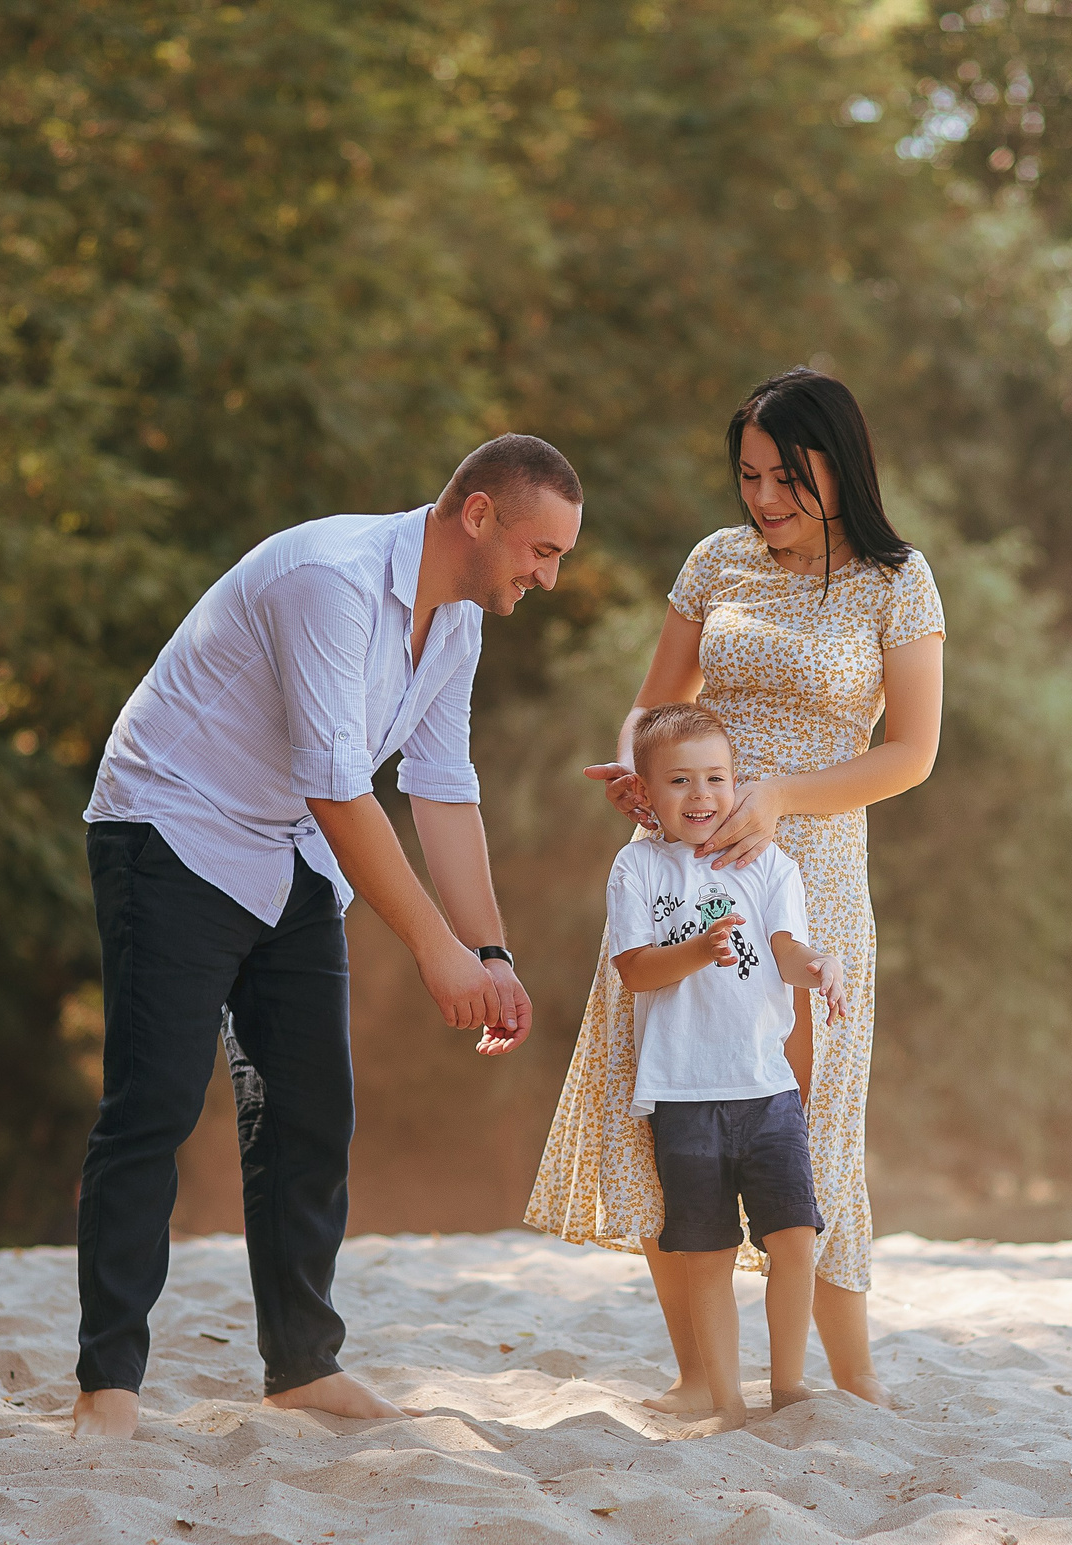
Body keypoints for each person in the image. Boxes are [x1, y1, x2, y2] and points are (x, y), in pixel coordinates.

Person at [71, 434, 581, 1439]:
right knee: (155, 1107)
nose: (549, 578)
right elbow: (338, 785)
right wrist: (431, 949)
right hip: (169, 828)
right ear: (476, 515)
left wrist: (488, 952)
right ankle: (108, 1386)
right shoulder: (331, 580)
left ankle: (302, 1367)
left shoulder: (458, 627)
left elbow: (440, 788)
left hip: (293, 851)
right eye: (541, 550)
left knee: (308, 1113)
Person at [525, 369, 944, 1415]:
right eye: (749, 475)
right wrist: (636, 770)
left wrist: (786, 797)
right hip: (684, 864)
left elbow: (913, 753)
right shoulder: (717, 561)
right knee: (674, 1099)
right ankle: (700, 1376)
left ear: (838, 467)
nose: (762, 499)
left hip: (814, 876)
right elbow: (656, 705)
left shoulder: (899, 582)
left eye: (786, 478)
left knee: (815, 1114)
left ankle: (843, 1378)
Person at [603, 703, 847, 1436]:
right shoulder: (638, 866)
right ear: (645, 793)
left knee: (794, 1236)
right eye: (679, 780)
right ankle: (725, 1401)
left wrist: (820, 967)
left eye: (716, 777)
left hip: (766, 1087)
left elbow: (785, 949)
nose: (701, 795)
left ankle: (789, 1383)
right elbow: (637, 972)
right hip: (684, 1093)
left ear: (737, 785)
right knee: (705, 1251)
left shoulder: (768, 862)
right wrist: (698, 951)